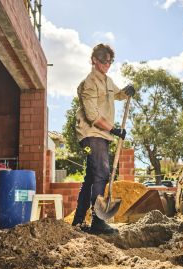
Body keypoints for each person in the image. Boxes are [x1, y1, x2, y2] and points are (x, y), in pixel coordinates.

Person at [72, 44, 135, 234]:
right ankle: (98, 222)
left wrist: (127, 91)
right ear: (94, 60)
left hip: (103, 135)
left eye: (110, 61)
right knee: (102, 171)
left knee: (92, 176)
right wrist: (114, 129)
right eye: (103, 61)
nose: (107, 65)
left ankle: (77, 221)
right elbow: (92, 116)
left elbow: (118, 95)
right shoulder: (89, 83)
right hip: (90, 135)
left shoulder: (108, 81)